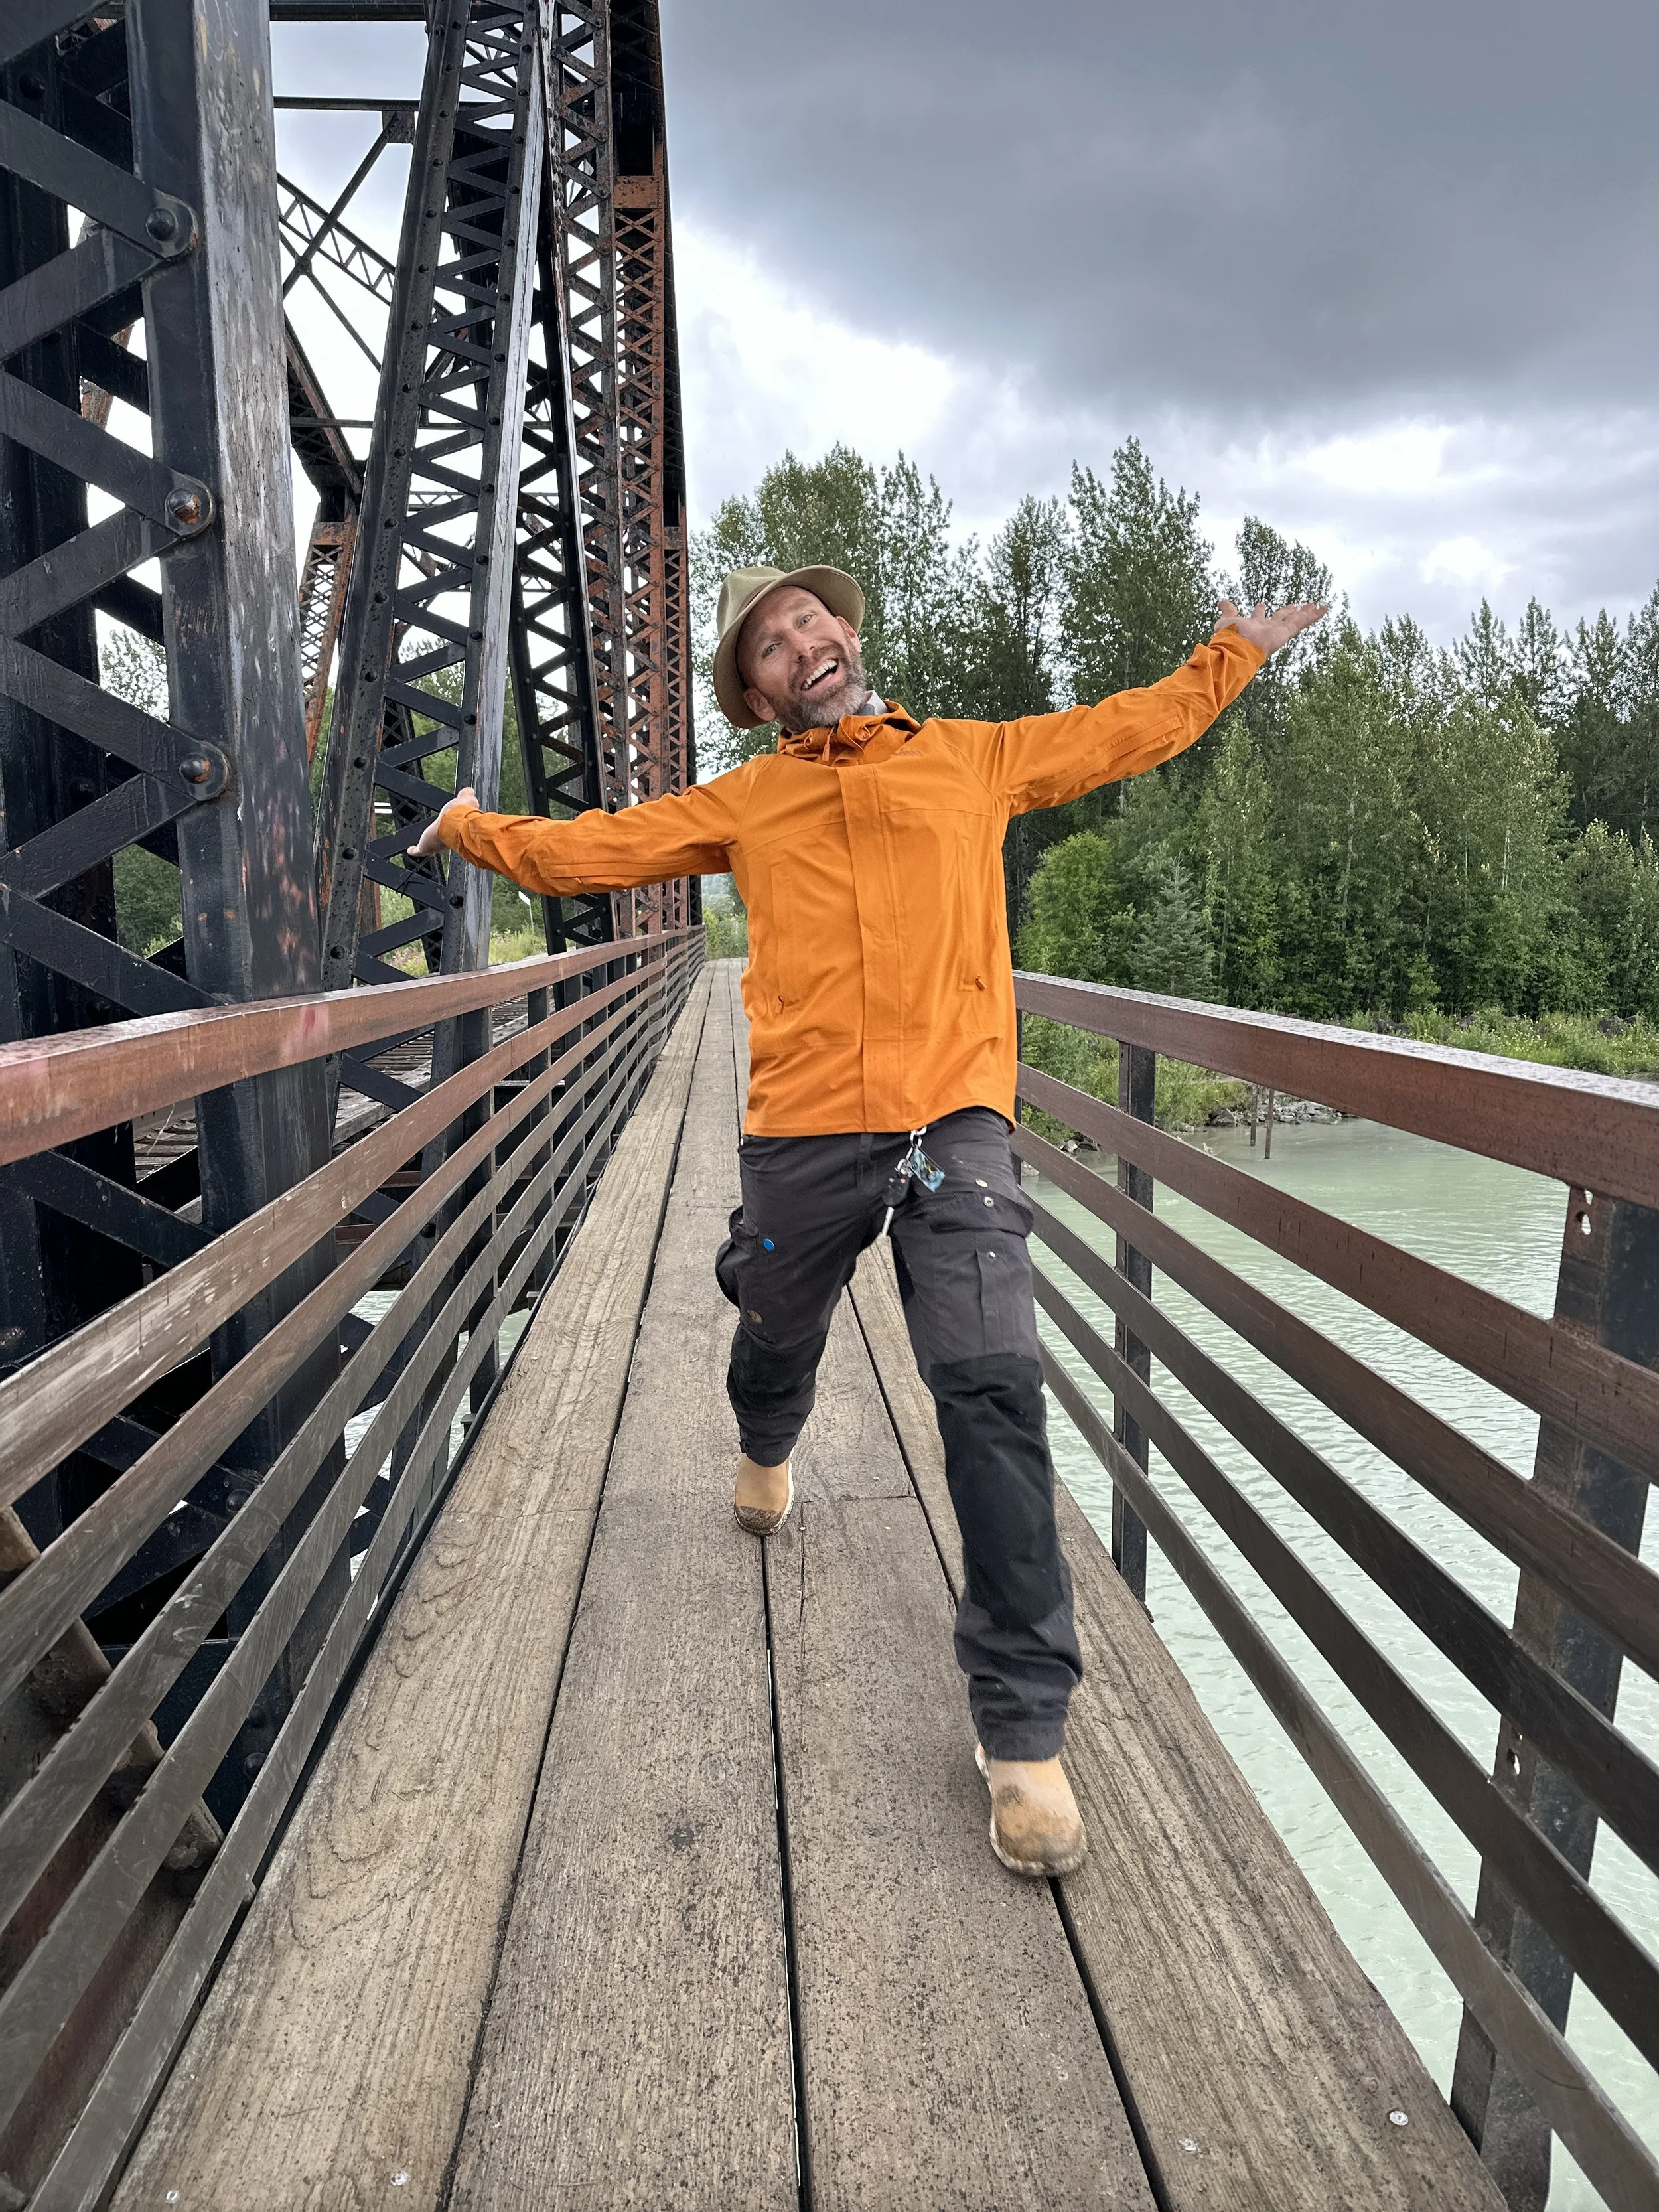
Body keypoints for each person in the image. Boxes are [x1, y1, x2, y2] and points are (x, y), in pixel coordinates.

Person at [411, 562, 1325, 1877]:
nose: (800, 645)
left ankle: (1020, 1731)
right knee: (774, 1333)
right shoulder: (747, 799)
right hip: (802, 1131)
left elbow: (1129, 725)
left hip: (951, 1122)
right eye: (769, 647)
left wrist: (1229, 652)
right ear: (753, 694)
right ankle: (766, 1432)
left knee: (991, 1393)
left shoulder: (973, 758)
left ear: (847, 635)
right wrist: (474, 828)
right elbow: (593, 849)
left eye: (809, 624)